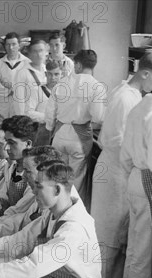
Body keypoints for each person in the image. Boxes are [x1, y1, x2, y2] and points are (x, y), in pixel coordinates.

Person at [91, 51, 152, 278]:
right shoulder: (128, 98)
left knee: (117, 229)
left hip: (118, 165)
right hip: (117, 168)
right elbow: (116, 139)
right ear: (144, 72)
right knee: (112, 228)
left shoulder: (129, 94)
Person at [45, 49, 106, 210]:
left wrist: (50, 129)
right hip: (79, 138)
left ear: (77, 64)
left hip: (59, 135)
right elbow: (99, 117)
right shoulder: (96, 86)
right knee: (76, 180)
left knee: (57, 177)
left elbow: (50, 113)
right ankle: (72, 213)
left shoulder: (62, 83)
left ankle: (54, 211)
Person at [120, 84, 152, 278]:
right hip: (150, 182)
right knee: (147, 248)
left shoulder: (141, 106)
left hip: (136, 177)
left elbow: (125, 154)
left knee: (136, 244)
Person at [0, 32, 30, 118]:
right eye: (8, 45)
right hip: (2, 107)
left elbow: (31, 87)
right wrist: (13, 90)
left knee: (18, 128)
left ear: (19, 45)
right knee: (1, 129)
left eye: (14, 44)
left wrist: (5, 86)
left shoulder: (28, 64)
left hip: (21, 107)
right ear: (4, 46)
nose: (11, 48)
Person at [11, 40, 49, 119]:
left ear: (46, 52)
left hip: (47, 118)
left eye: (41, 51)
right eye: (35, 51)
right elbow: (19, 101)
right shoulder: (22, 73)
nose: (38, 55)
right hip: (29, 118)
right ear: (29, 55)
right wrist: (21, 120)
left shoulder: (47, 71)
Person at [32, 60, 62, 147]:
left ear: (61, 74)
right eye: (50, 74)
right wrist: (49, 118)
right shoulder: (36, 90)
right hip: (40, 130)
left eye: (56, 74)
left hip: (59, 132)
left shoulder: (65, 92)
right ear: (45, 74)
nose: (53, 78)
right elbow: (28, 113)